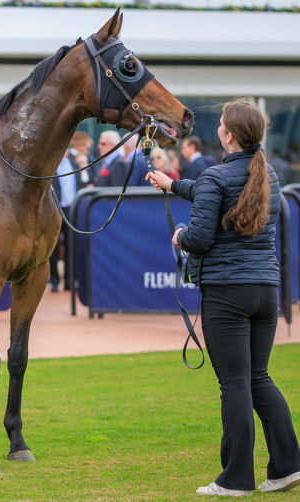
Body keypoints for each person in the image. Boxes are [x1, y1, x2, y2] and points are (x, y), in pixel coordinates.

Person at [146, 98, 300, 497]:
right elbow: (214, 190)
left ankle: (235, 480)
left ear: (228, 135)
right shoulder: (266, 173)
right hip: (265, 291)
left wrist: (181, 236)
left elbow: (199, 237)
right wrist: (172, 183)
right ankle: (288, 466)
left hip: (228, 293)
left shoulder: (218, 176)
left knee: (234, 385)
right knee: (258, 378)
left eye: (220, 124)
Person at [49, 148, 85, 292]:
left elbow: (83, 182)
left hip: (72, 209)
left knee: (72, 245)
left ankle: (71, 280)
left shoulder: (75, 165)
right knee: (54, 247)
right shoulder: (51, 165)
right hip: (55, 210)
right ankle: (55, 280)